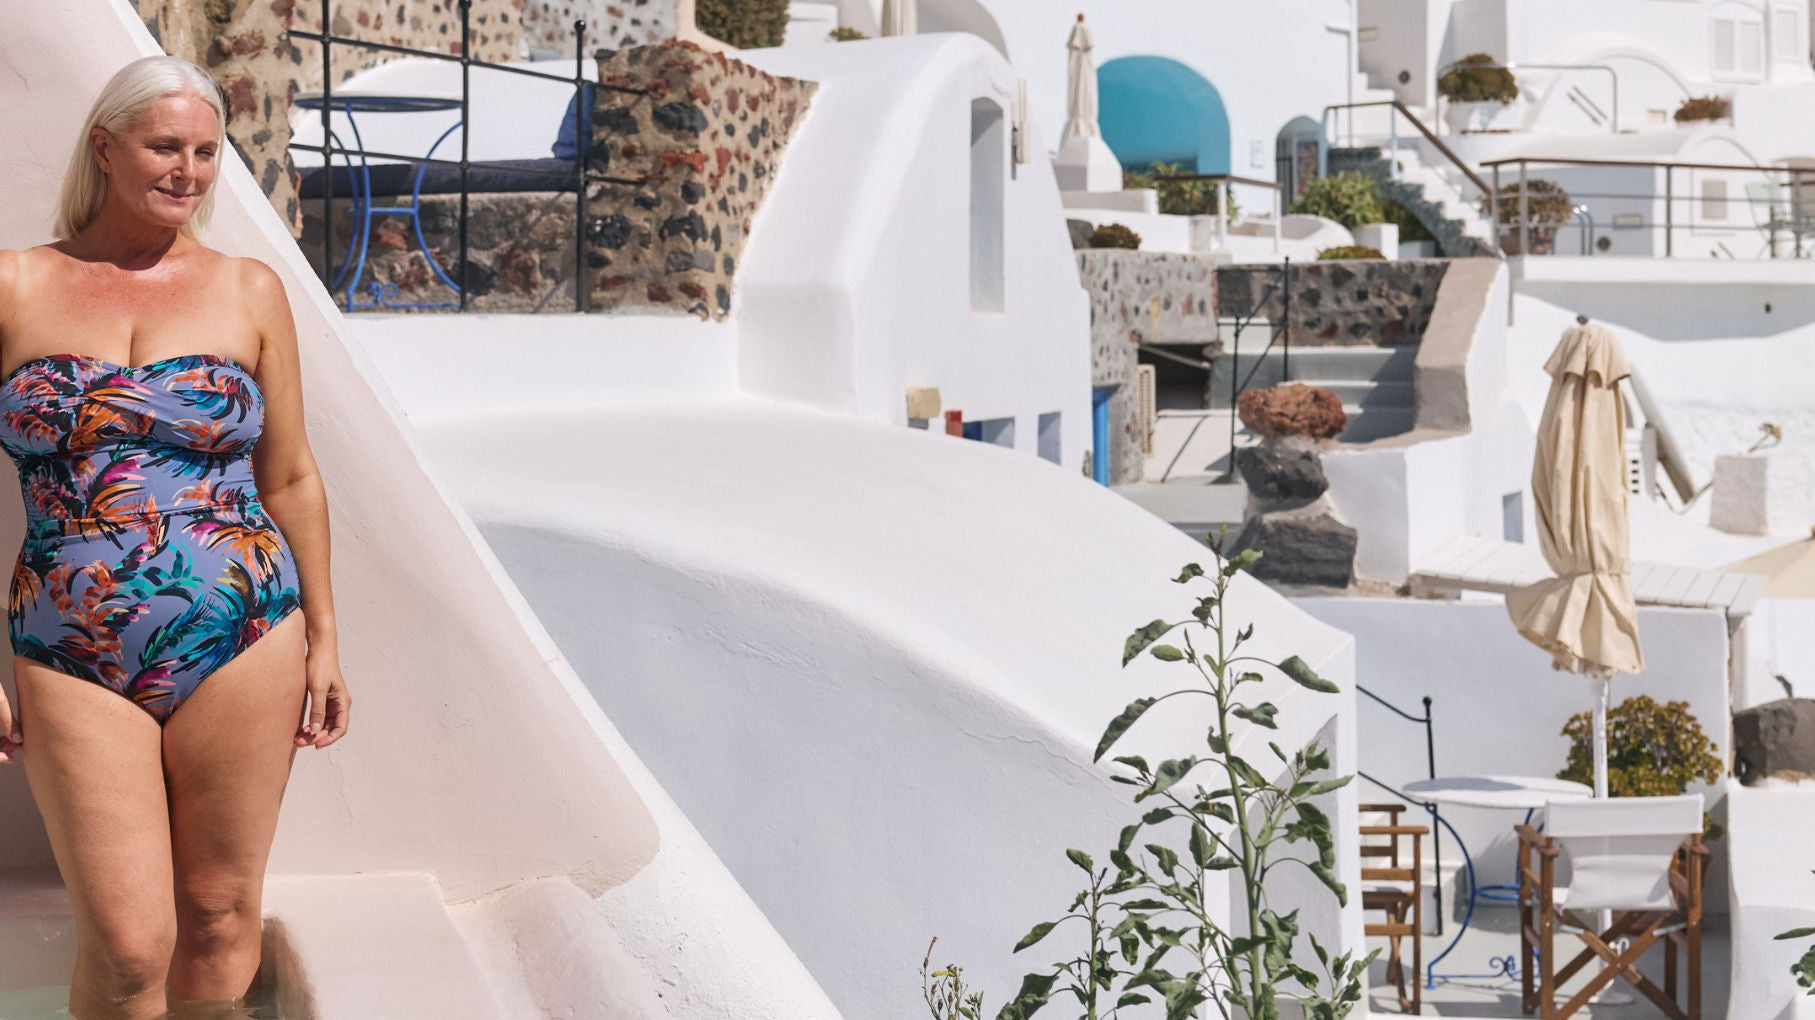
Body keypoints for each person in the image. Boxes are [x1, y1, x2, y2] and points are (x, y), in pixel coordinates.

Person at [0, 54, 351, 1018]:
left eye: (205, 152)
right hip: (68, 642)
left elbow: (290, 474)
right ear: (105, 148)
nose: (187, 171)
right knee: (126, 947)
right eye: (165, 147)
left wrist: (325, 637)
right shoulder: (15, 283)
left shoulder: (249, 289)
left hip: (244, 629)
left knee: (218, 913)